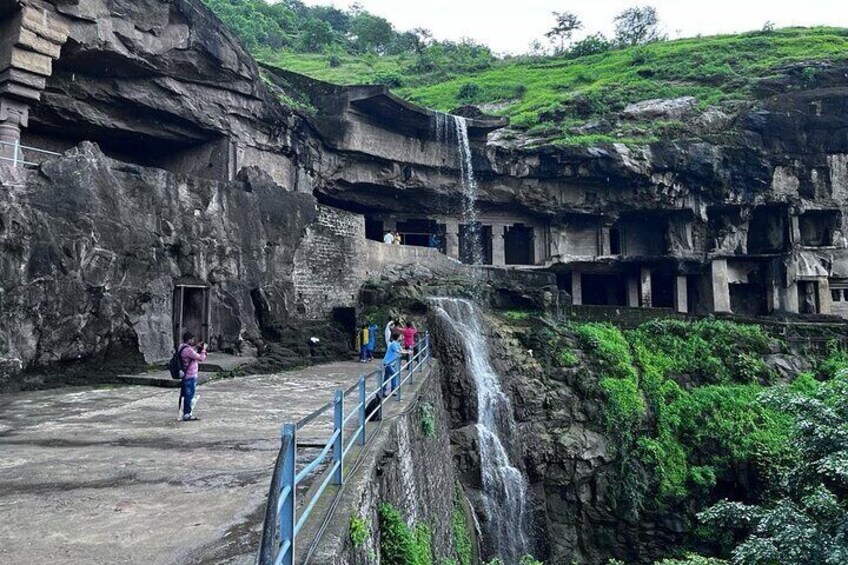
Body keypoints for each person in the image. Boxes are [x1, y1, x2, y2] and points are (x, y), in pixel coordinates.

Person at [179, 331, 207, 422]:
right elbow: (201, 358)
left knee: (186, 395)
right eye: (192, 339)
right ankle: (187, 414)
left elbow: (189, 351)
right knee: (189, 395)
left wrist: (196, 347)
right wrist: (204, 350)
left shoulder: (181, 346)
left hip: (185, 374)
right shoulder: (188, 350)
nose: (193, 341)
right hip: (190, 375)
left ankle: (184, 412)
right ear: (190, 340)